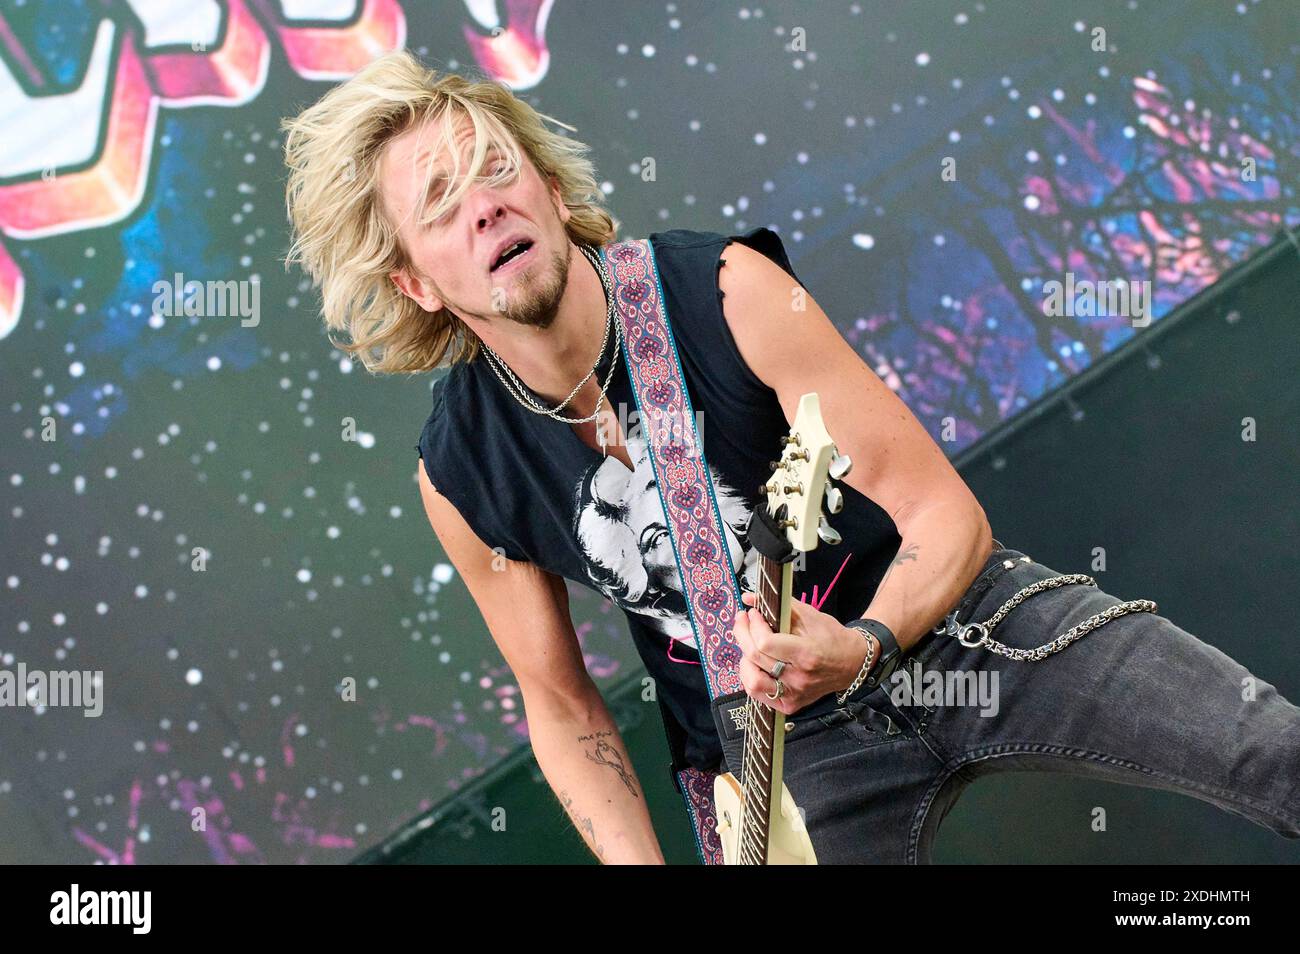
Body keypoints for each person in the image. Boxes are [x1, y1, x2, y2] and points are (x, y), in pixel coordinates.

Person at [282, 50, 1300, 864]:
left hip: (947, 622)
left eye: (497, 171)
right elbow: (559, 704)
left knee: (1273, 752)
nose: (485, 206)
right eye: (442, 204)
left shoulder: (726, 290)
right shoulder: (461, 473)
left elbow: (942, 516)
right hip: (773, 749)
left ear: (549, 190)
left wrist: (860, 648)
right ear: (415, 282)